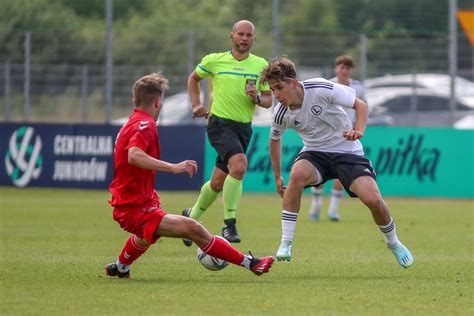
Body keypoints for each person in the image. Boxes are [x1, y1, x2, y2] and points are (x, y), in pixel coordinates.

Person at [104, 73, 274, 279]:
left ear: (135, 100)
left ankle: (121, 267)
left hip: (139, 198)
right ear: (158, 102)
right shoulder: (145, 125)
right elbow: (134, 155)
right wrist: (173, 167)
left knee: (146, 236)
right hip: (133, 204)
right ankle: (253, 264)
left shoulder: (132, 122)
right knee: (193, 228)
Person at [261, 57, 414, 268]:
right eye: (272, 89)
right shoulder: (281, 113)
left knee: (374, 201)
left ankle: (394, 242)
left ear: (294, 83)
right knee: (296, 175)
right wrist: (277, 175)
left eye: (279, 88)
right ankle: (286, 242)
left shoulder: (321, 88)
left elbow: (361, 105)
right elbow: (274, 140)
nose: (276, 95)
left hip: (347, 151)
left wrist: (358, 131)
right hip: (315, 153)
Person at [182, 20, 272, 245]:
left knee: (217, 183)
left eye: (248, 35)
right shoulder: (215, 60)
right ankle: (229, 225)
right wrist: (196, 104)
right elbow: (193, 78)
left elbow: (269, 100)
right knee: (239, 166)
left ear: (254, 39)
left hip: (243, 128)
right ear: (231, 36)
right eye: (240, 34)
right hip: (219, 123)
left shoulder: (261, 66)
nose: (244, 38)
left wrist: (257, 98)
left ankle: (190, 219)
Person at [309, 55, 367, 222]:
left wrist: (359, 129)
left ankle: (333, 210)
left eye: (347, 68)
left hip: (347, 134)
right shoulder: (328, 85)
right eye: (341, 67)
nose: (344, 70)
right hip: (326, 134)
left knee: (341, 174)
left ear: (351, 71)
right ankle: (316, 204)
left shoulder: (358, 88)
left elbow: (362, 108)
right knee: (319, 174)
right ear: (336, 69)